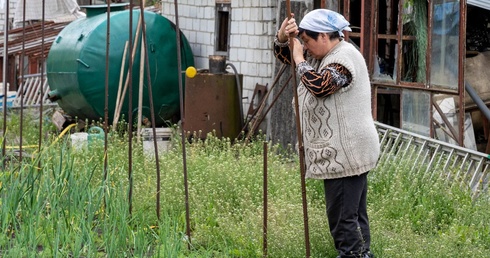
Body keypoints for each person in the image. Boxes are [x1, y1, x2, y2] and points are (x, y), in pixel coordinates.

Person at [273, 9, 380, 258]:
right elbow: (286, 57)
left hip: (346, 153)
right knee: (352, 215)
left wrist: (300, 59)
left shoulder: (344, 58)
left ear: (323, 36)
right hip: (343, 151)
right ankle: (362, 254)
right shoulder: (328, 54)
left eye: (308, 42)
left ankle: (353, 255)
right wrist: (282, 37)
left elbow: (320, 86)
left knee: (343, 218)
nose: (306, 48)